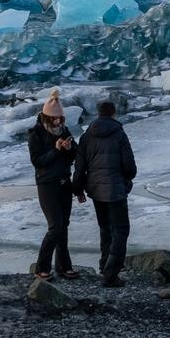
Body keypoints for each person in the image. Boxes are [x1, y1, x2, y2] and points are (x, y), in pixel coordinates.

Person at [74, 100, 137, 288]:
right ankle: (111, 273)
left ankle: (104, 264)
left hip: (95, 189)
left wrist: (77, 189)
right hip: (115, 188)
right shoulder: (119, 134)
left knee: (104, 226)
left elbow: (80, 166)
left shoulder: (86, 136)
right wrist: (126, 179)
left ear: (98, 113)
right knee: (121, 229)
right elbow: (130, 166)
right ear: (114, 114)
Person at [28, 89, 84, 280]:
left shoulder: (65, 131)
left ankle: (63, 266)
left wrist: (69, 148)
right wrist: (55, 149)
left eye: (61, 118)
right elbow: (37, 161)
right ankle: (41, 267)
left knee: (64, 226)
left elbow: (75, 155)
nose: (59, 122)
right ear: (47, 117)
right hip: (47, 184)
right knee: (56, 227)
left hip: (64, 183)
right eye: (55, 119)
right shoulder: (36, 134)